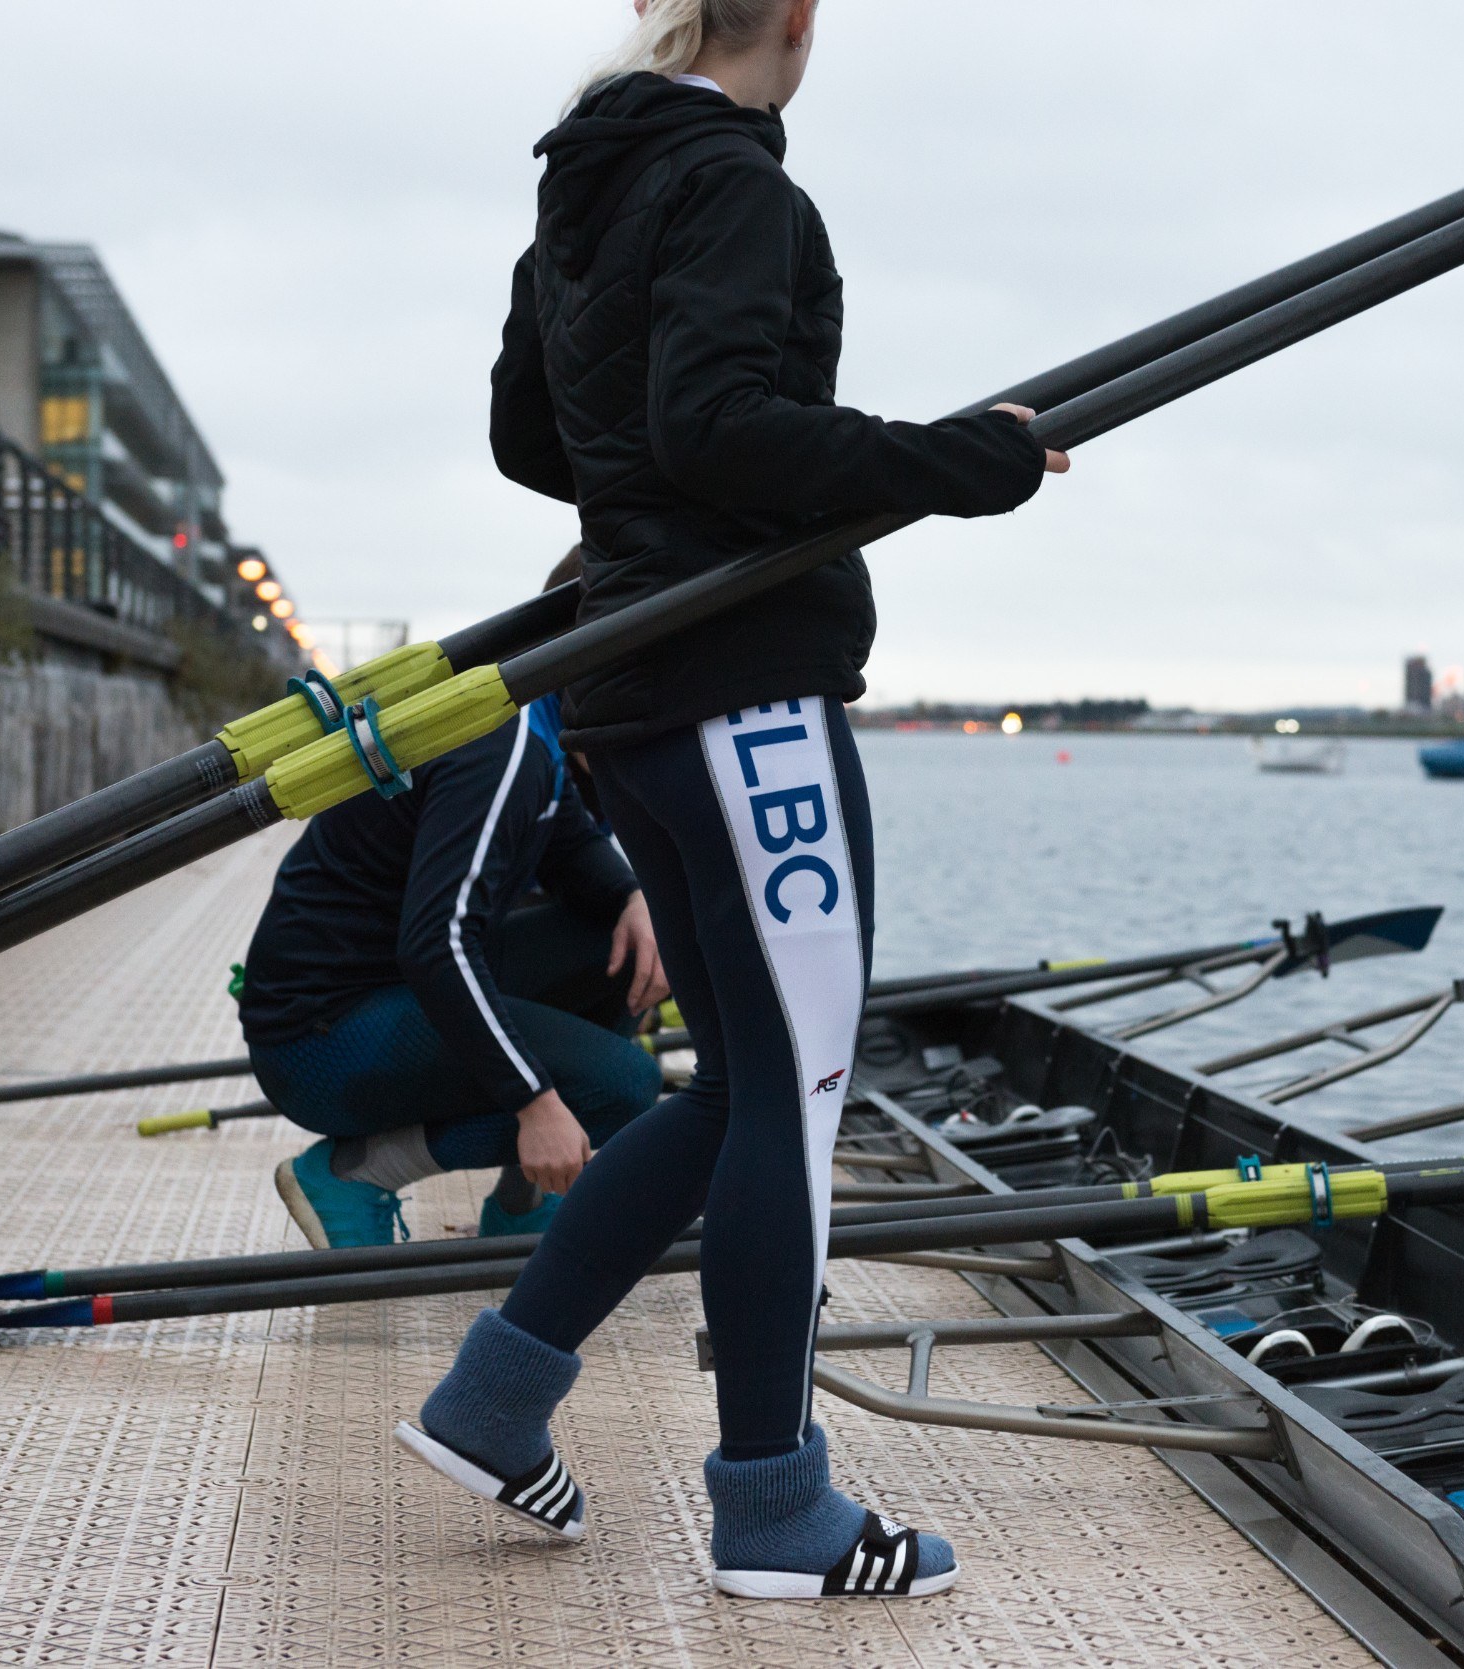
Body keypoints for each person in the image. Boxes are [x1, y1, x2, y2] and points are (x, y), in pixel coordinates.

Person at [395, 0, 1066, 1596]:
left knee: (727, 1092)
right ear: (801, 18)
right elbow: (718, 426)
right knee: (797, 1097)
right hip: (745, 692)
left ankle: (496, 1401)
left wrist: (647, 497)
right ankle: (774, 1511)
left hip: (635, 690)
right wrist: (955, 462)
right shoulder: (739, 184)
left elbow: (527, 435)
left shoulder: (587, 173)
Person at [236, 571, 672, 1251]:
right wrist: (537, 1102)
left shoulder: (532, 720)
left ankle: (528, 1197)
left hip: (385, 991)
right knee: (624, 1088)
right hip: (319, 1040)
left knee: (623, 945)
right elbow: (437, 942)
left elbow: (570, 847)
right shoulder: (502, 747)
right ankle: (357, 1171)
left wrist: (632, 898)